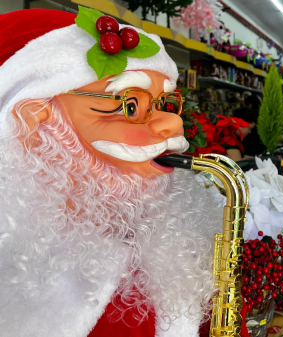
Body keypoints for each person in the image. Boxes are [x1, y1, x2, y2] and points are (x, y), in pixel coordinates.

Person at [0, 8, 249, 337]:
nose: (173, 125)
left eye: (165, 104)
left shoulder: (169, 242)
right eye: (130, 106)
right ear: (34, 124)